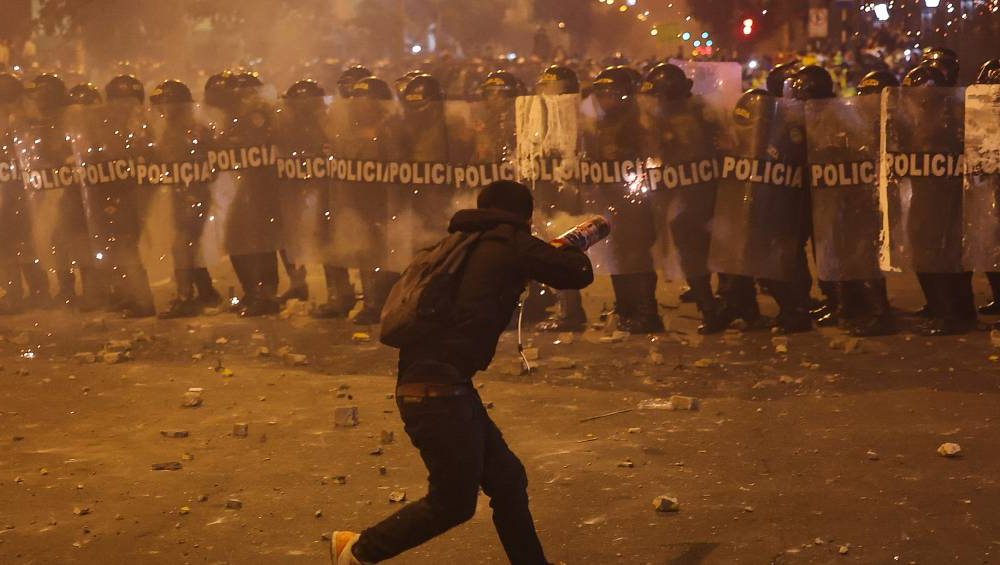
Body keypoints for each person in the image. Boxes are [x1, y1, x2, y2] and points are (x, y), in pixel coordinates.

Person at [331, 180, 594, 565]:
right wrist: (569, 243)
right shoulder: (510, 242)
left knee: (506, 480)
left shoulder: (454, 244)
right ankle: (357, 552)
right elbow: (577, 273)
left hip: (436, 384)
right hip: (439, 392)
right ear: (523, 216)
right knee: (452, 503)